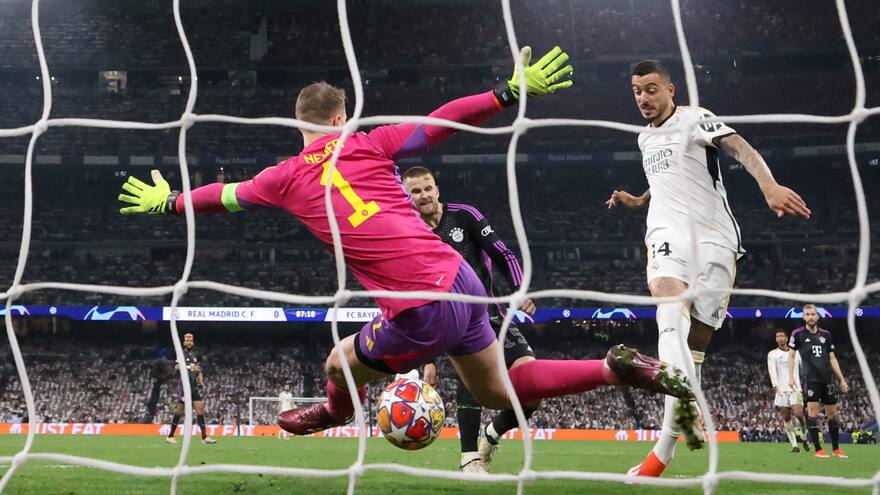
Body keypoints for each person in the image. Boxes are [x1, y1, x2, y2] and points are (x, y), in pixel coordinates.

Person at [119, 47, 696, 446]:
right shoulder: (369, 143)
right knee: (498, 391)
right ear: (341, 118)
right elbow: (438, 123)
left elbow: (223, 197)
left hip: (419, 303)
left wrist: (170, 202)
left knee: (338, 364)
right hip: (461, 281)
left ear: (300, 126)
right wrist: (505, 91)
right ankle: (612, 367)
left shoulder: (283, 177)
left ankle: (332, 415)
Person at [606, 60, 810, 477]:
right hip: (667, 234)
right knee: (668, 305)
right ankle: (677, 423)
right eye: (636, 91)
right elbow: (664, 181)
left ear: (671, 90)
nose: (643, 98)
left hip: (716, 240)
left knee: (694, 349)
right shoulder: (644, 139)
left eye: (651, 89)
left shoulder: (696, 118)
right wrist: (638, 201)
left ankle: (666, 446)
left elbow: (740, 147)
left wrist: (768, 185)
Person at [403, 166, 537, 473]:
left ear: (437, 190)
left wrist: (519, 289)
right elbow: (418, 299)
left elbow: (503, 254)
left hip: (493, 316)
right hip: (454, 325)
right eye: (415, 191)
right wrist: (429, 359)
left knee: (533, 390)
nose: (424, 196)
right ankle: (469, 459)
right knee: (472, 383)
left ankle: (491, 435)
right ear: (407, 197)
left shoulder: (464, 216)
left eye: (428, 188)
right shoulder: (411, 235)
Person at [789, 304, 849, 458]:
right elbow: (791, 356)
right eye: (807, 314)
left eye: (812, 314)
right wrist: (790, 377)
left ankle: (836, 449)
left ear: (818, 316)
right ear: (804, 317)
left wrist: (841, 379)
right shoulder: (797, 334)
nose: (810, 317)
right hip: (810, 379)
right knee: (813, 413)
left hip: (827, 379)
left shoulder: (826, 335)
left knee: (832, 414)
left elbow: (832, 358)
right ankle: (818, 450)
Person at [165, 333, 218, 445]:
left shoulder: (194, 355)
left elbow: (198, 370)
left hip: (194, 387)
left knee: (200, 410)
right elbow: (177, 367)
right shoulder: (181, 354)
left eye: (191, 340)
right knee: (179, 412)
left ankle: (204, 437)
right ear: (184, 342)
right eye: (187, 340)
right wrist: (189, 367)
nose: (189, 342)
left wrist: (201, 381)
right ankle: (170, 436)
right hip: (184, 387)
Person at [767, 330, 809, 452]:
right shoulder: (772, 354)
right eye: (777, 336)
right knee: (786, 418)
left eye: (782, 336)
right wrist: (775, 386)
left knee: (799, 414)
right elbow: (772, 370)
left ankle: (804, 436)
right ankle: (794, 445)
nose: (780, 338)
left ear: (787, 339)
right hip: (781, 389)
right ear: (776, 339)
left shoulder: (796, 352)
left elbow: (804, 368)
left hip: (795, 388)